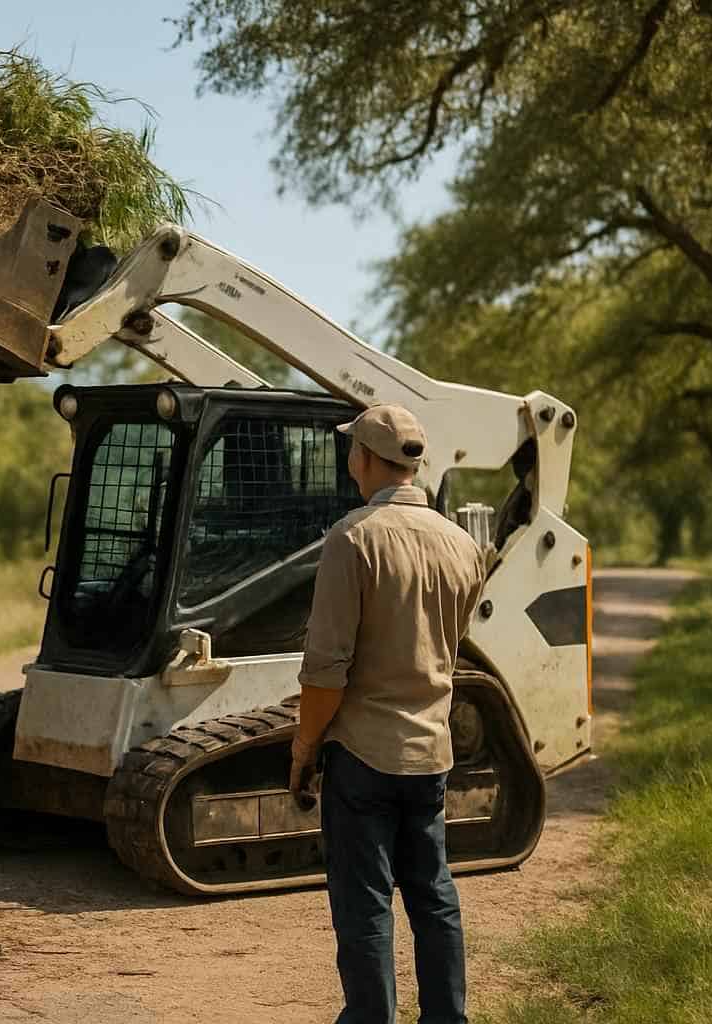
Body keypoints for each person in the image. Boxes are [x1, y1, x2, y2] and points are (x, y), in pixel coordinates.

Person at [287, 404, 487, 1024]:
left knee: (365, 902)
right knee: (433, 894)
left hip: (363, 754)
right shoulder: (462, 544)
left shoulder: (353, 539)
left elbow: (325, 674)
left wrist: (303, 753)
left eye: (353, 451)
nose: (351, 462)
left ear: (367, 459)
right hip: (430, 753)